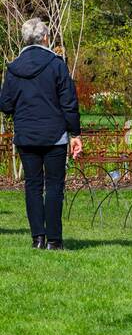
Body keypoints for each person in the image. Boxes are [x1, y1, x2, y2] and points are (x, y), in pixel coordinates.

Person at [0, 18, 82, 249]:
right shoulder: (57, 64)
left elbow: (5, 105)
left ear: (24, 39)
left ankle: (38, 238)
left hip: (26, 135)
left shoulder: (14, 68)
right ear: (45, 38)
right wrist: (75, 133)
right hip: (54, 135)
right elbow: (69, 102)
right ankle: (54, 240)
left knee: (32, 185)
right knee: (55, 185)